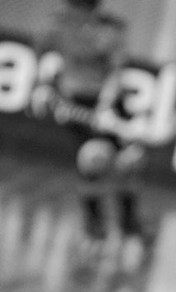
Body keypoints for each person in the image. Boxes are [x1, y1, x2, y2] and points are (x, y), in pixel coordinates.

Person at [33, 0, 147, 262]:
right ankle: (94, 229)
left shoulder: (110, 30)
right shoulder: (56, 24)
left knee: (128, 163)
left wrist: (106, 107)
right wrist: (43, 83)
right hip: (74, 106)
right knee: (93, 159)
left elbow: (115, 73)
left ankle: (130, 226)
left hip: (108, 106)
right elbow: (42, 55)